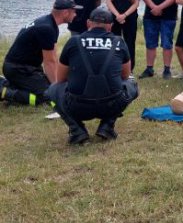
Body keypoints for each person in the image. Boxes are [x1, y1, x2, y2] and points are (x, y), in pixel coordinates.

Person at [46, 7, 139, 145]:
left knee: (52, 90)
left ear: (88, 23)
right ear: (110, 26)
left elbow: (60, 79)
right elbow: (125, 75)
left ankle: (76, 130)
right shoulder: (119, 42)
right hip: (111, 104)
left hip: (78, 106)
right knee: (132, 85)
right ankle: (108, 125)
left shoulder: (73, 41)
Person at [0, 0, 82, 106]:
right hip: (17, 69)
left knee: (54, 86)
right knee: (47, 97)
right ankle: (4, 91)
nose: (75, 14)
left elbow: (53, 58)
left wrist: (61, 80)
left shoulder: (51, 24)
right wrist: (57, 89)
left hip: (28, 68)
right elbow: (49, 63)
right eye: (74, 11)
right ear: (65, 12)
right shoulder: (46, 28)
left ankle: (11, 84)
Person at [105, 0, 141, 70]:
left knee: (130, 43)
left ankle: (129, 69)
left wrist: (124, 15)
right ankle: (113, 66)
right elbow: (108, 1)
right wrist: (117, 15)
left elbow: (136, 3)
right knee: (113, 42)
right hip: (114, 18)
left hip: (129, 18)